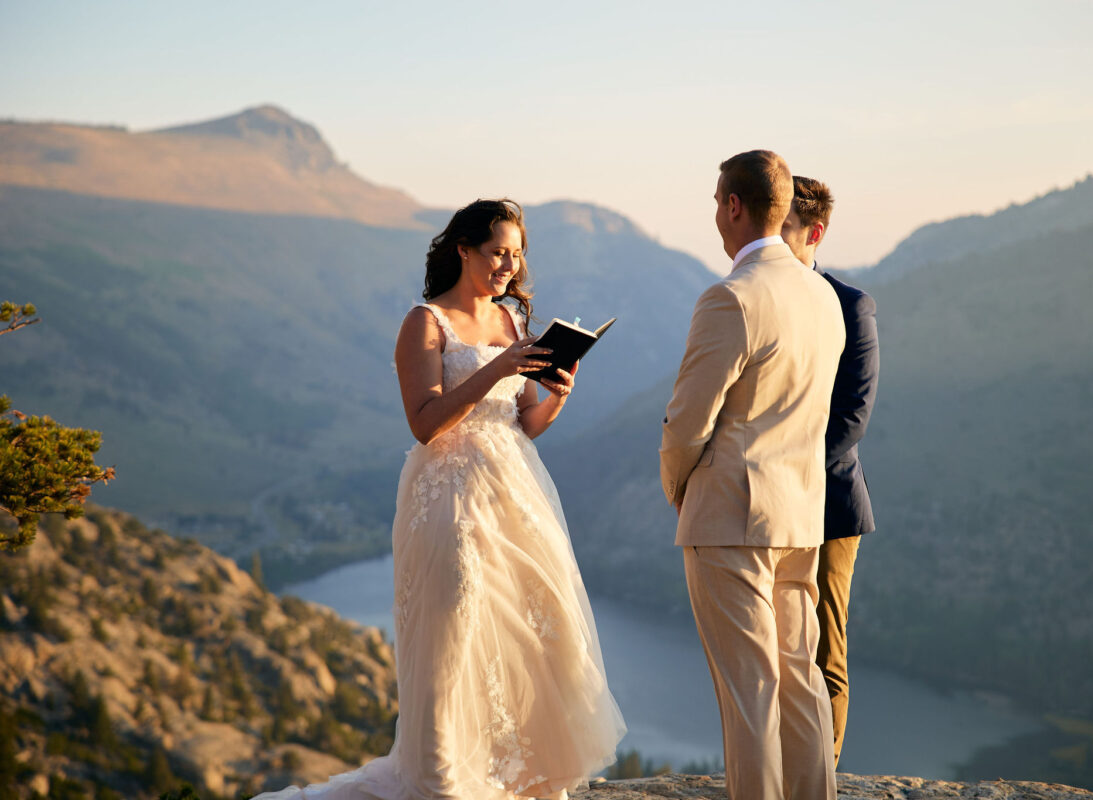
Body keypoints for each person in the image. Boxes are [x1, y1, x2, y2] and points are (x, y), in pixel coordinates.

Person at [254, 198, 625, 800]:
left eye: (516, 254)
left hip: (515, 491)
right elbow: (424, 422)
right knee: (452, 630)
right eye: (498, 251)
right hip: (447, 495)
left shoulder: (511, 321)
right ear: (464, 250)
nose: (509, 264)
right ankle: (443, 779)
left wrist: (559, 392)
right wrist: (500, 365)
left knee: (529, 632)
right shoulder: (425, 322)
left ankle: (519, 774)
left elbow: (522, 423)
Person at [660, 151, 845, 800]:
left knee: (750, 698)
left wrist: (678, 490)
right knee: (799, 685)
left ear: (734, 206)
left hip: (731, 517)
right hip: (801, 516)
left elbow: (685, 424)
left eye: (717, 200)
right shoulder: (822, 295)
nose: (715, 212)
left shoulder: (730, 298)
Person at [780, 176, 879, 767]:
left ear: (813, 233)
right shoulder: (756, 298)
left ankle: (822, 778)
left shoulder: (851, 305)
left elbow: (852, 418)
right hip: (763, 505)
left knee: (823, 654)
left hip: (828, 504)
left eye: (785, 229)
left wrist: (780, 475)